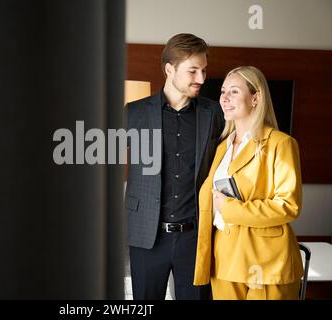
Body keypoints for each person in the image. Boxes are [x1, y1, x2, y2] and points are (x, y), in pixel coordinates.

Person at [125, 33, 224, 300]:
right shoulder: (133, 113)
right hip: (147, 235)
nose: (201, 79)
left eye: (204, 71)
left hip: (197, 237)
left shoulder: (214, 113)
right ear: (170, 69)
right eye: (193, 70)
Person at [193, 66, 304, 300]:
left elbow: (288, 205)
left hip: (265, 261)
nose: (224, 98)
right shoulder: (221, 147)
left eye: (234, 91)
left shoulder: (280, 144)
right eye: (223, 91)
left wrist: (231, 208)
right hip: (224, 259)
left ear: (256, 98)